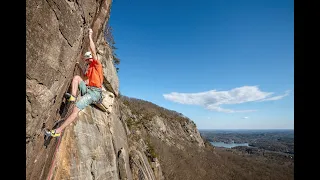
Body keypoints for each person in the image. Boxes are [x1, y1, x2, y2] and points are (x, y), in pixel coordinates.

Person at [46, 28, 104, 137]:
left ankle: (58, 131)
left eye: (87, 59)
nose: (86, 61)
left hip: (94, 93)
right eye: (86, 60)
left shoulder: (96, 65)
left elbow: (93, 50)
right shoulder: (90, 68)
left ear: (90, 58)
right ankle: (72, 96)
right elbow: (84, 77)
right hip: (89, 89)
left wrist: (90, 36)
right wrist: (78, 66)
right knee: (77, 78)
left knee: (75, 110)